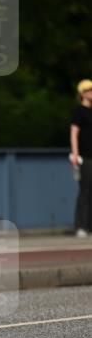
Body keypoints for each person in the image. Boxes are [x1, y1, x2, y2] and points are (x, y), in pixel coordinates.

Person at [70, 79, 92, 237]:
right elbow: (74, 133)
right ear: (82, 93)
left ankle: (90, 226)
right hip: (85, 157)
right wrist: (75, 154)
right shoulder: (79, 111)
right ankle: (81, 226)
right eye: (89, 90)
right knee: (84, 190)